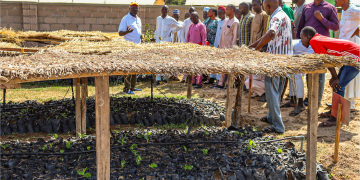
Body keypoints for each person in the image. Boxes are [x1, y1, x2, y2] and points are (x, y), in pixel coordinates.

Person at [299, 26, 359, 127]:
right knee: (337, 85)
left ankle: (336, 118)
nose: (301, 41)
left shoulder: (314, 41)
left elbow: (326, 60)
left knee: (339, 86)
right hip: (352, 56)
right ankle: (334, 113)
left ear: (308, 37)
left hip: (355, 58)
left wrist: (335, 77)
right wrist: (334, 77)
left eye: (302, 38)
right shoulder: (318, 38)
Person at [249, 0, 293, 133]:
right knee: (277, 91)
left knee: (271, 93)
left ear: (267, 7)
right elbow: (270, 35)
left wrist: (257, 48)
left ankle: (278, 126)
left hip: (275, 62)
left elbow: (271, 33)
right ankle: (271, 116)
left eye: (264, 7)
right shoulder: (283, 14)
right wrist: (253, 46)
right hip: (284, 60)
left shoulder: (275, 17)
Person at [296, 0, 340, 106]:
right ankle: (310, 96)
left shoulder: (329, 8)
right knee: (309, 71)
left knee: (320, 73)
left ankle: (317, 99)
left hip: (322, 45)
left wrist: (322, 19)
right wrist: (297, 41)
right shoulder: (307, 7)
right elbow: (300, 26)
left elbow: (335, 27)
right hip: (308, 44)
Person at [337, 0, 360, 113]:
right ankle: (342, 100)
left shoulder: (354, 10)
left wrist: (359, 32)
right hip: (344, 49)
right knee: (344, 75)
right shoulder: (344, 11)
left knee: (350, 75)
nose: (335, 0)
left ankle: (351, 103)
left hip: (353, 46)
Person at [281, 39, 314, 116]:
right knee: (291, 73)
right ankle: (293, 100)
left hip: (306, 53)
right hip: (295, 54)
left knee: (298, 75)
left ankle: (301, 104)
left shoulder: (301, 45)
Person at [211, 4, 240, 90]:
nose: (225, 11)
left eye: (227, 10)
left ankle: (229, 84)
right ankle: (220, 83)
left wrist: (232, 50)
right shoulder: (225, 21)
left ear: (232, 10)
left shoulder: (235, 22)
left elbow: (235, 38)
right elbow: (222, 35)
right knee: (222, 66)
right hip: (222, 48)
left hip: (230, 49)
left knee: (230, 67)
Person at [154, 5, 183, 85]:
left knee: (167, 60)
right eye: (163, 9)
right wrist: (154, 36)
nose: (164, 11)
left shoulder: (170, 19)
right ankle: (158, 78)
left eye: (165, 9)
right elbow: (157, 28)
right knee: (158, 60)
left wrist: (172, 32)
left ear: (168, 10)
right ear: (161, 10)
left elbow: (180, 26)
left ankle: (166, 78)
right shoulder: (158, 18)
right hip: (158, 42)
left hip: (167, 42)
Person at [118, 2, 142, 94]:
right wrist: (127, 32)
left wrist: (142, 40)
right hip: (129, 47)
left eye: (136, 8)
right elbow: (120, 33)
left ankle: (132, 87)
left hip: (137, 47)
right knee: (128, 68)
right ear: (130, 8)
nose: (135, 9)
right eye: (133, 8)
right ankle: (126, 88)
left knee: (135, 68)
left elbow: (138, 32)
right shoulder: (125, 18)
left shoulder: (138, 19)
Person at [187, 12, 207, 88]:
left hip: (199, 48)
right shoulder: (191, 26)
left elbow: (204, 37)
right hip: (191, 48)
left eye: (194, 18)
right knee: (192, 65)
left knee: (198, 66)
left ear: (198, 17)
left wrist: (202, 49)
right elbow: (188, 37)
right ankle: (193, 81)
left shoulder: (201, 26)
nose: (192, 19)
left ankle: (199, 83)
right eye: (191, 18)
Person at [209, 6, 227, 85]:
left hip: (223, 46)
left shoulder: (226, 22)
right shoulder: (219, 21)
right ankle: (216, 80)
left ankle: (221, 81)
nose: (219, 15)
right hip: (216, 44)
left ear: (224, 13)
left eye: (220, 13)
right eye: (218, 14)